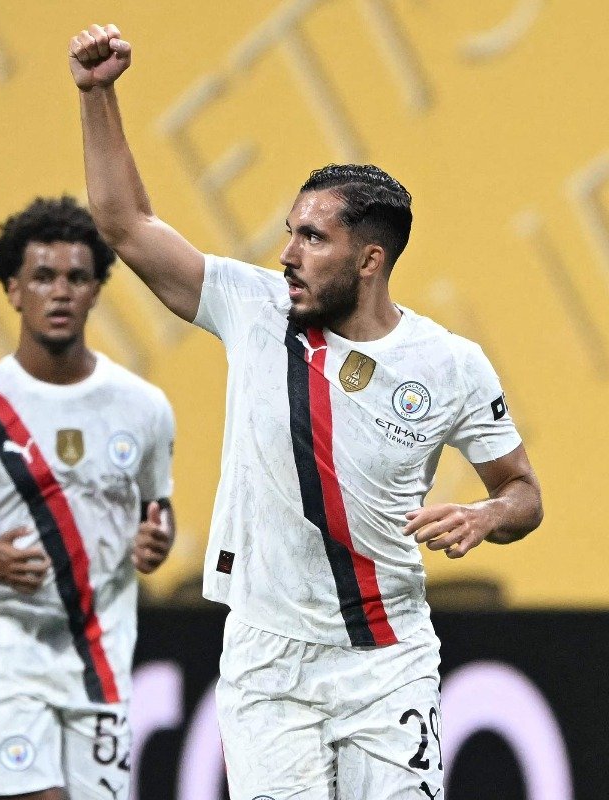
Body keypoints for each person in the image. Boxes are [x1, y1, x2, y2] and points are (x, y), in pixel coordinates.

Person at [68, 24, 543, 799]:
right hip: (268, 663)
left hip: (386, 659)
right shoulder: (253, 308)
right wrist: (98, 95)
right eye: (290, 232)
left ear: (370, 259)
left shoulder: (449, 364)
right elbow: (126, 224)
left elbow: (523, 493)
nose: (287, 253)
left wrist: (487, 516)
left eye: (312, 238)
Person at [0, 196, 177, 800]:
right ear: (14, 290)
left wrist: (157, 542)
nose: (60, 292)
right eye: (43, 276)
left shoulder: (144, 408)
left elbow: (157, 512)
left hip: (100, 652)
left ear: (97, 290)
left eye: (77, 277)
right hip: (4, 649)